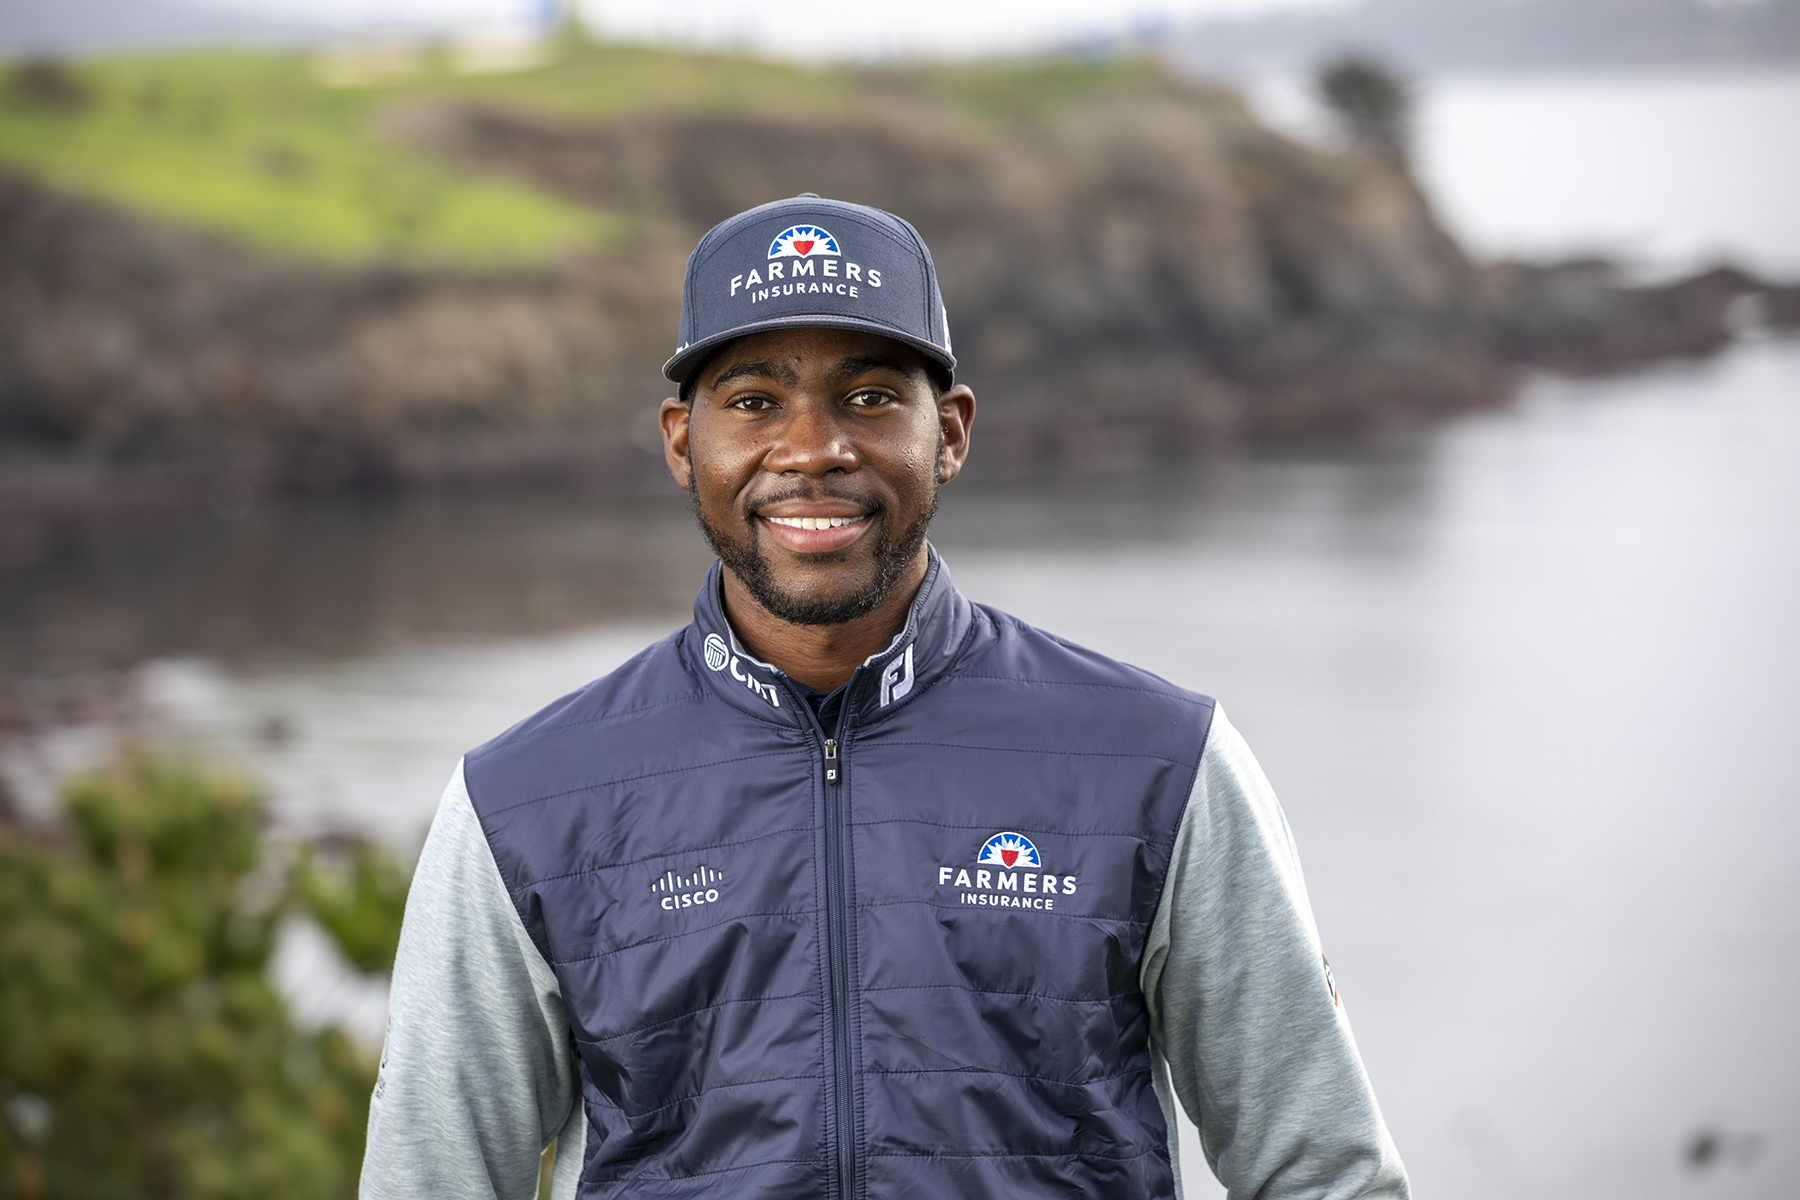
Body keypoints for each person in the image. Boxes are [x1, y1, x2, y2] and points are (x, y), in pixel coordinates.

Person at [360, 194, 1409, 1199]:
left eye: (869, 398)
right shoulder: (525, 801)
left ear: (949, 431)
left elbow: (1324, 1174)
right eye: (755, 402)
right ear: (683, 442)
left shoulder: (1160, 763)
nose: (813, 450)